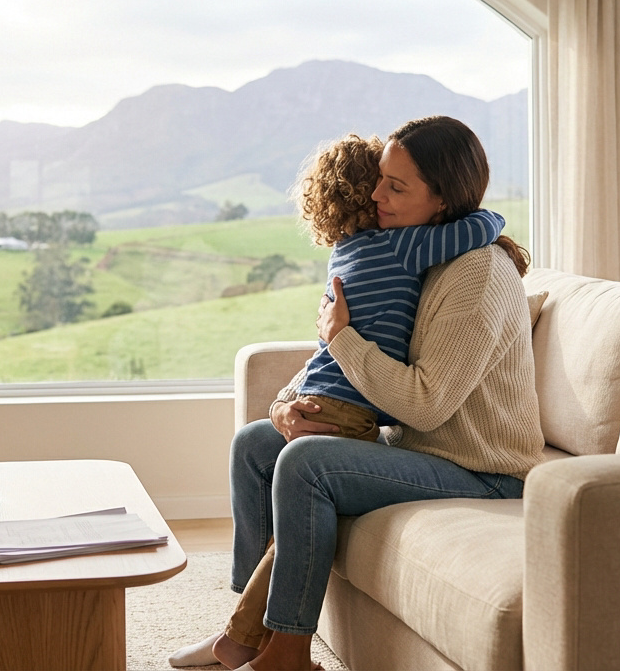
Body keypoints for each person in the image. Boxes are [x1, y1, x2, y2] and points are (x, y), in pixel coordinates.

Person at [172, 115, 544, 671]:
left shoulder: (477, 273)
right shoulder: (414, 252)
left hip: (484, 470)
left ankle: (288, 655)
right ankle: (243, 632)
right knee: (256, 446)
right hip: (417, 449)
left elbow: (425, 403)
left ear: (443, 200)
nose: (376, 196)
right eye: (380, 180)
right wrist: (287, 404)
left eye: (397, 186)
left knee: (306, 465)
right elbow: (344, 351)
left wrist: (341, 337)